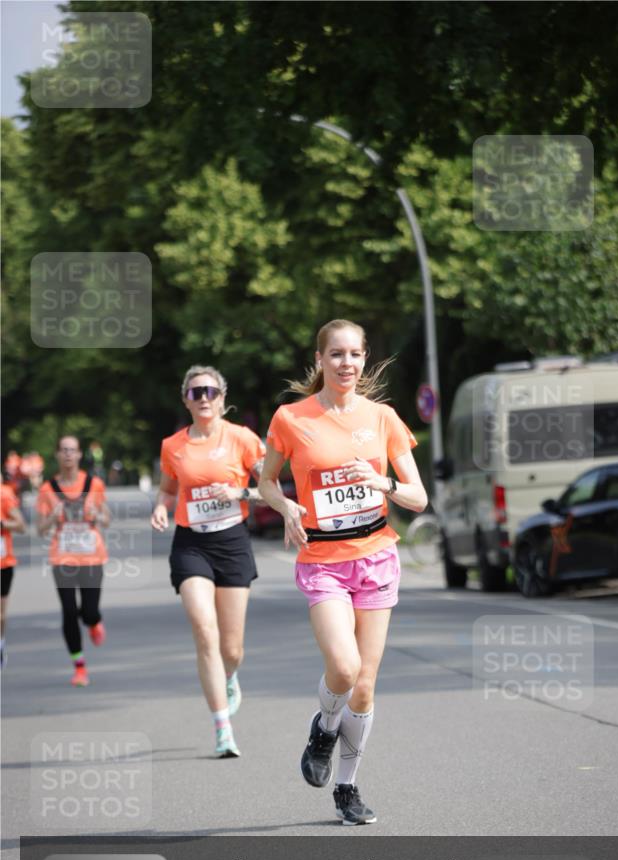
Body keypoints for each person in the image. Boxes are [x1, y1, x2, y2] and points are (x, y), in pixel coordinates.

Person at [259, 318, 427, 826]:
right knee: (345, 668)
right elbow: (267, 481)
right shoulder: (291, 418)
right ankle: (323, 728)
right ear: (320, 360)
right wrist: (287, 507)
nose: (346, 363)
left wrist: (383, 482)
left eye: (355, 354)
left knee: (367, 685)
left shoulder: (383, 418)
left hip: (376, 556)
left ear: (364, 359)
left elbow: (418, 498)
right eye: (336, 354)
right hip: (322, 562)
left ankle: (347, 788)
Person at [151, 365, 266, 759]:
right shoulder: (173, 446)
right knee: (204, 630)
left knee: (231, 649)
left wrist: (239, 492)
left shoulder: (242, 439)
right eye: (196, 391)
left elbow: (268, 489)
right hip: (191, 545)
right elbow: (168, 488)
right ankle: (223, 729)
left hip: (232, 543)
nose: (204, 398)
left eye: (210, 391)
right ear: (185, 398)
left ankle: (230, 675)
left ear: (222, 397)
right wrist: (162, 508)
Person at [36, 436, 111, 686]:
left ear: (80, 455)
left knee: (89, 611)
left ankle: (93, 622)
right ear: (57, 455)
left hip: (92, 556)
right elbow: (40, 528)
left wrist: (97, 514)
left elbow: (107, 519)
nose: (68, 455)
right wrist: (54, 516)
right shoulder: (48, 489)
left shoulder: (94, 484)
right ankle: (79, 668)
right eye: (64, 450)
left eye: (73, 450)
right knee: (69, 611)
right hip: (62, 556)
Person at [1, 473, 27, 668]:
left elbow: (20, 525)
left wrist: (2, 524)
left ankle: (0, 643)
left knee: (0, 615)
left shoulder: (4, 495)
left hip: (3, 563)